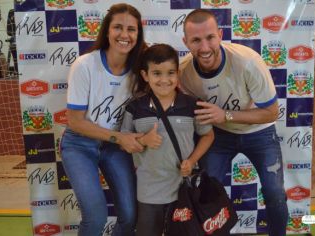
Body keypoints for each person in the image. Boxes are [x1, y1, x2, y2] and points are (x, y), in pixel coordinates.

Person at [179, 9, 288, 236]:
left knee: (274, 192)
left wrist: (225, 115)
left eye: (210, 37)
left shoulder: (248, 62)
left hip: (259, 132)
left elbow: (271, 113)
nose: (205, 47)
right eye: (196, 40)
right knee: (207, 192)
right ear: (185, 42)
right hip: (217, 136)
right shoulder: (183, 72)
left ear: (220, 34)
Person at [60, 3, 146, 236]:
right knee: (95, 216)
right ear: (107, 31)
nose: (124, 35)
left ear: (138, 35)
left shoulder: (141, 71)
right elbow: (75, 121)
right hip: (79, 144)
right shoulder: (85, 65)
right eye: (118, 27)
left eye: (131, 29)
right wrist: (119, 137)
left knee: (130, 215)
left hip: (114, 147)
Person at [120, 44, 214, 236]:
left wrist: (192, 160)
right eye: (157, 73)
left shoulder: (192, 104)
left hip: (182, 190)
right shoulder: (134, 108)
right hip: (148, 191)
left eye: (170, 73)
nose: (164, 80)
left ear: (178, 73)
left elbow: (208, 135)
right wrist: (144, 140)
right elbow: (124, 143)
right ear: (145, 75)